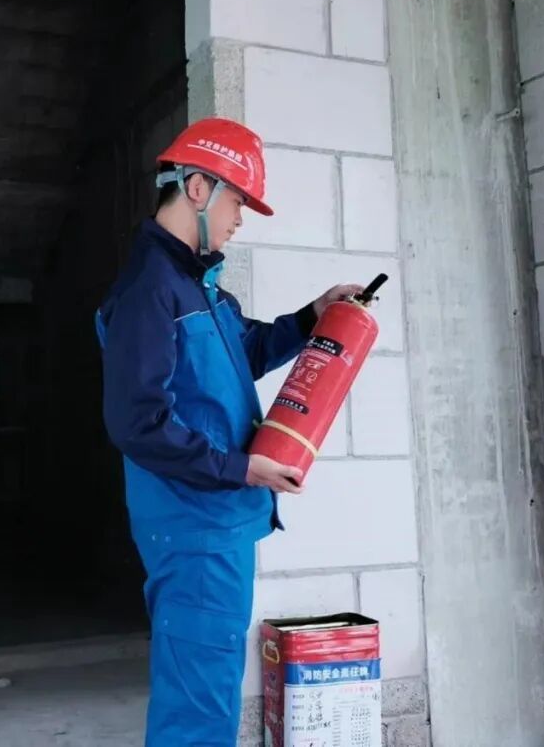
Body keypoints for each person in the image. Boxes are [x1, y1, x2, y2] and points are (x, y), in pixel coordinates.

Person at [94, 116, 362, 746]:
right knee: (198, 707)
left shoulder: (197, 284)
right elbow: (137, 423)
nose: (241, 218)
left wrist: (313, 316)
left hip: (217, 521)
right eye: (237, 200)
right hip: (193, 525)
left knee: (208, 691)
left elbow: (247, 351)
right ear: (197, 188)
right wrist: (241, 468)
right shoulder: (150, 292)